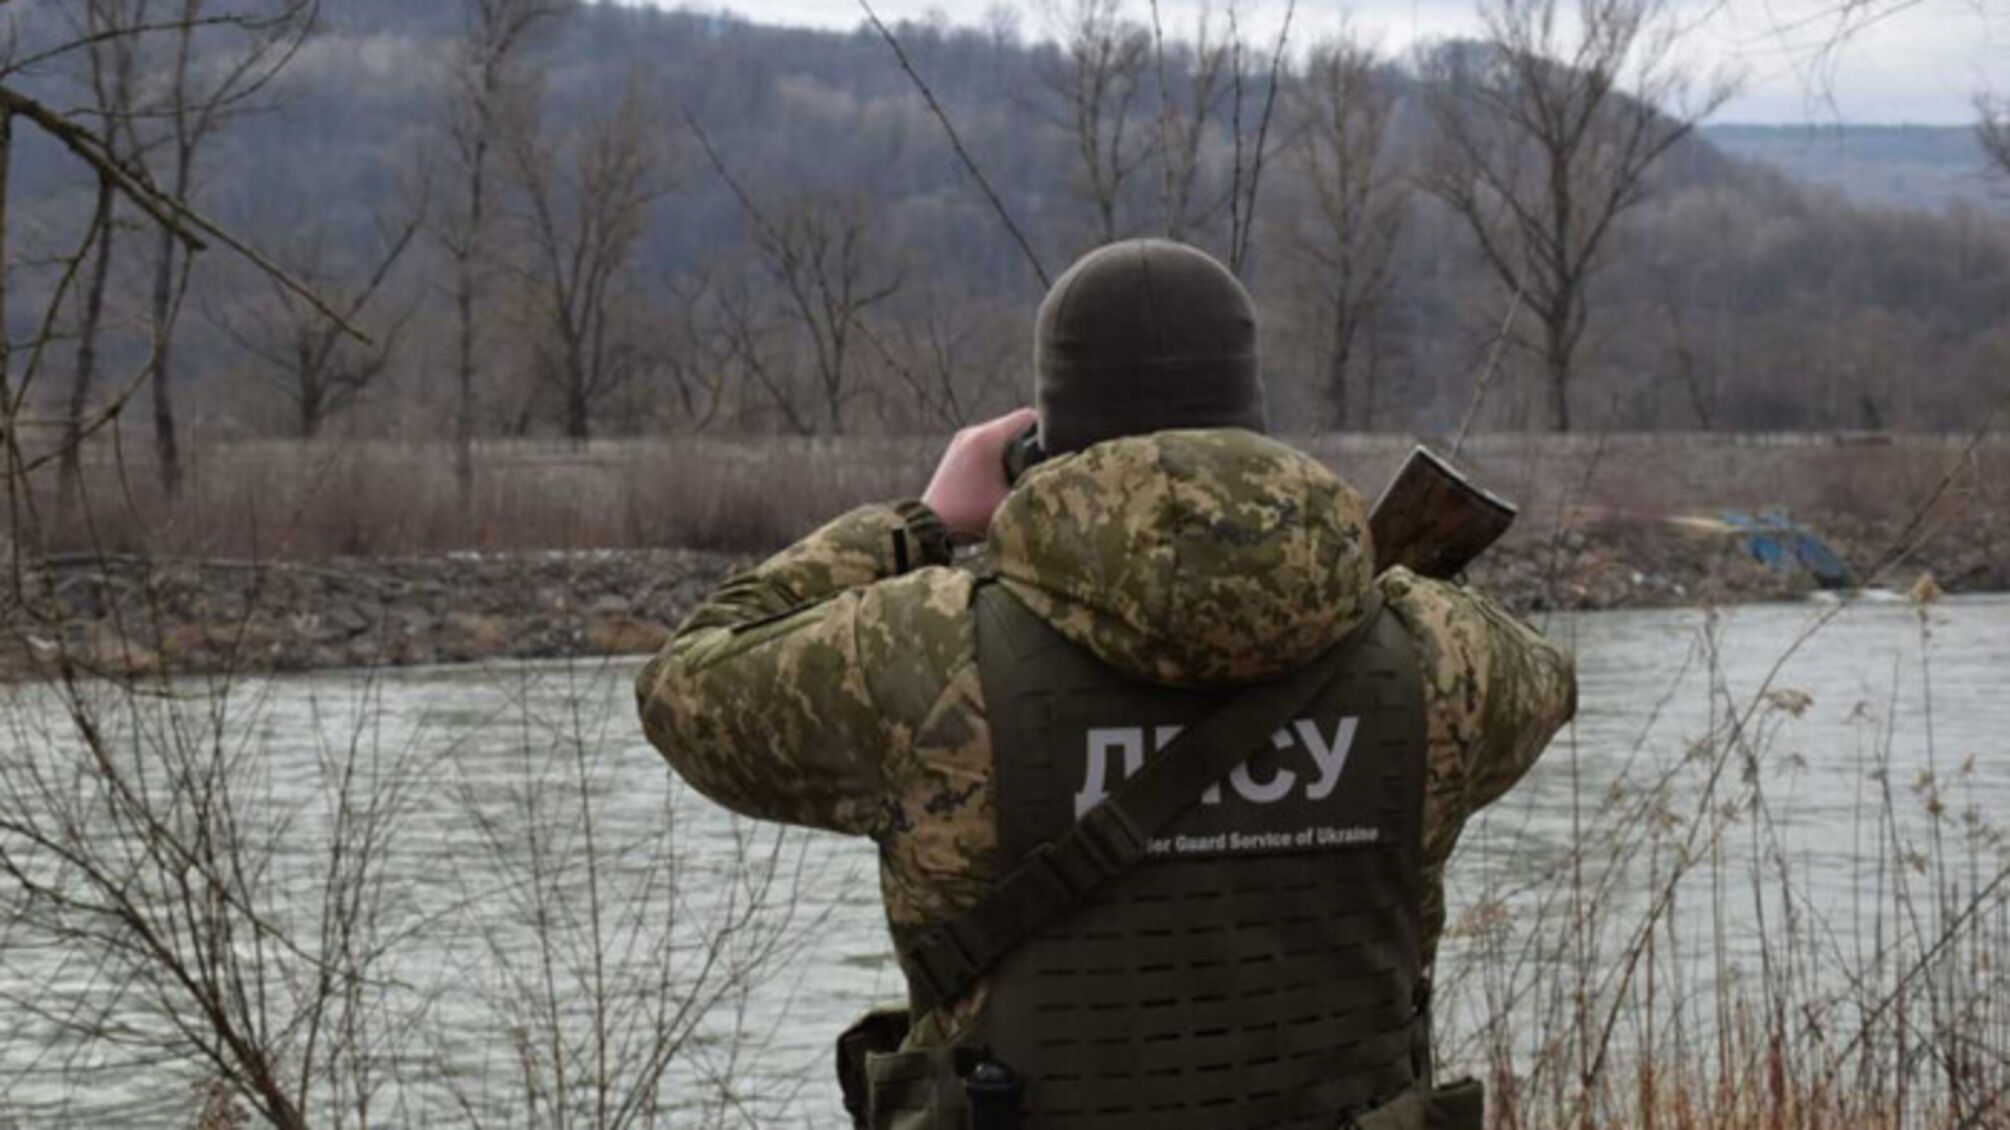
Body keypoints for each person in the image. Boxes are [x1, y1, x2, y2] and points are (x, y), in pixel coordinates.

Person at [636, 239, 1575, 1129]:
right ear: (1254, 427)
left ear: (1043, 450)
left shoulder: (922, 659)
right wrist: (1327, 567)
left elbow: (684, 684)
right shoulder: (1441, 658)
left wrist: (921, 522)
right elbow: (1549, 682)